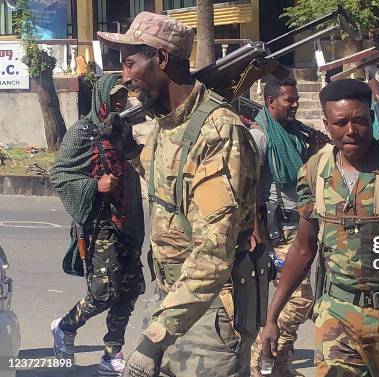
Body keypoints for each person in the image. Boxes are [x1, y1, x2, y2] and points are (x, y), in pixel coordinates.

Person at [96, 11, 261, 377]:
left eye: (130, 63)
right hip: (170, 299)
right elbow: (175, 192)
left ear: (162, 59)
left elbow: (214, 251)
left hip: (208, 314)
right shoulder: (165, 123)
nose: (124, 77)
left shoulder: (218, 132)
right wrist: (131, 155)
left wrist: (155, 339)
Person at [259, 79, 379, 377]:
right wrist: (272, 317)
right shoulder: (314, 171)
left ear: (373, 119)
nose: (351, 130)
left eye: (359, 120)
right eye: (340, 123)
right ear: (327, 124)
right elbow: (303, 248)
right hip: (337, 316)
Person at [49, 73, 146, 376]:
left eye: (124, 95)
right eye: (115, 95)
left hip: (128, 221)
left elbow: (137, 163)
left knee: (129, 289)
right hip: (100, 224)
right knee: (104, 291)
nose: (121, 100)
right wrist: (95, 185)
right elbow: (60, 175)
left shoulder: (123, 129)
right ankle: (65, 326)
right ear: (101, 96)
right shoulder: (82, 132)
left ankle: (111, 353)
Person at [249, 77, 327, 377]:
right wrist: (257, 232)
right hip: (275, 232)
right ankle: (258, 359)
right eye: (288, 100)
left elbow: (302, 179)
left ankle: (281, 366)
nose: (295, 104)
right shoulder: (260, 136)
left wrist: (315, 151)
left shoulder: (293, 134)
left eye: (295, 99)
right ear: (270, 103)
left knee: (293, 299)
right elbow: (247, 189)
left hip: (300, 228)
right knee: (298, 299)